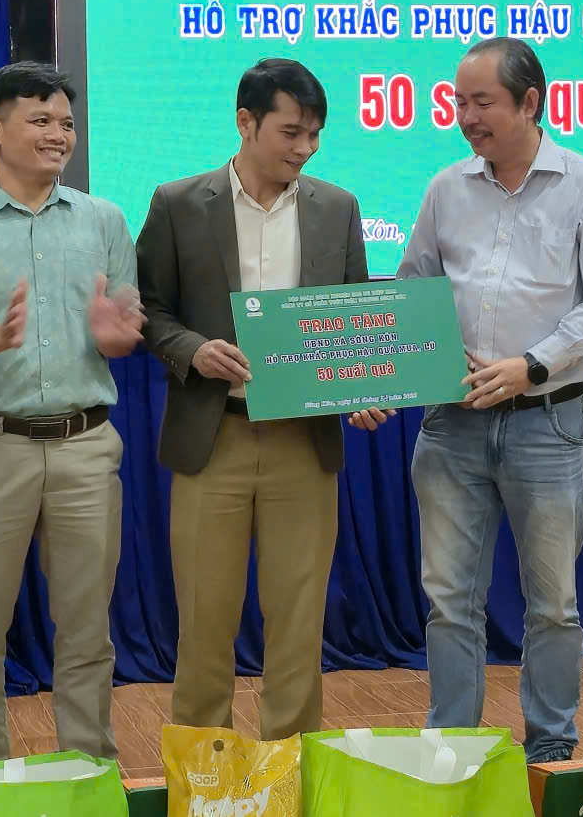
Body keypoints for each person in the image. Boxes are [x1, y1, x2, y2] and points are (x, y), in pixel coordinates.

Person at [397, 36, 583, 763]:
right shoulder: (445, 188)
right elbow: (412, 290)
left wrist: (532, 367)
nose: (465, 117)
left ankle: (551, 754)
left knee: (553, 605)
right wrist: (395, 368)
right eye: (458, 102)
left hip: (547, 422)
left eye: (482, 102)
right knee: (449, 602)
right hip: (451, 424)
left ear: (530, 102)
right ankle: (452, 750)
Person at [136, 58, 390, 739]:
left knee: (300, 623)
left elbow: (353, 319)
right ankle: (203, 771)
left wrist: (362, 387)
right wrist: (192, 349)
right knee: (204, 619)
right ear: (245, 123)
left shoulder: (337, 208)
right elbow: (150, 308)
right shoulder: (178, 203)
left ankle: (292, 768)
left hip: (303, 442)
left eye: (315, 135)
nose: (305, 148)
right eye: (291, 132)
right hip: (212, 434)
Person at [0, 61, 144, 765]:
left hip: (85, 446)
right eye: (40, 120)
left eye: (66, 123)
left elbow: (125, 330)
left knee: (88, 631)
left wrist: (118, 336)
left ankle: (89, 775)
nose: (58, 135)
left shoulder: (104, 219)